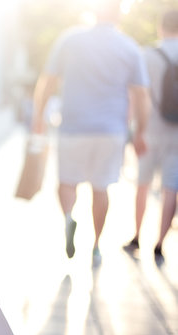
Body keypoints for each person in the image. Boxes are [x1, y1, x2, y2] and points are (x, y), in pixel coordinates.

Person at [31, 0, 150, 260]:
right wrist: (141, 131)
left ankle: (68, 217)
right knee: (101, 187)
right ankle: (96, 245)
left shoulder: (70, 39)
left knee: (66, 182)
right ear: (120, 15)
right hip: (110, 131)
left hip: (73, 126)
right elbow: (141, 95)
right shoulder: (130, 48)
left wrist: (38, 116)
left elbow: (48, 80)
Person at [124, 9, 178, 258]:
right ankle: (160, 244)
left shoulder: (146, 55)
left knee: (142, 185)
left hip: (149, 129)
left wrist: (134, 128)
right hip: (176, 134)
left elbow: (136, 94)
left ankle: (136, 237)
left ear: (161, 27)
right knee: (171, 187)